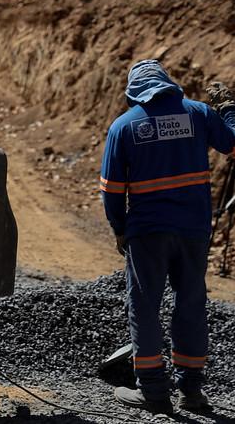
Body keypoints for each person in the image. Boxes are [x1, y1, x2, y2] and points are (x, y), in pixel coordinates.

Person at [100, 59, 235, 414]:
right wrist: (229, 110)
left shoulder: (124, 127)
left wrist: (118, 227)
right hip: (193, 229)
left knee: (144, 307)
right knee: (190, 303)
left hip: (147, 233)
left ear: (135, 91)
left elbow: (112, 189)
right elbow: (233, 144)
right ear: (168, 83)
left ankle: (154, 393)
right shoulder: (200, 113)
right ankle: (191, 391)